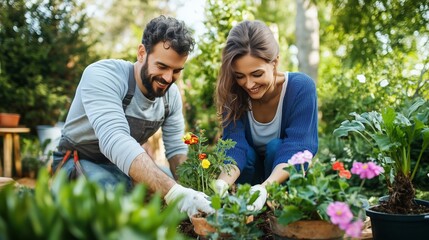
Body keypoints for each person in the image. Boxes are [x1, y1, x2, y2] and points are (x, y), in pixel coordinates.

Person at [51, 15, 213, 218]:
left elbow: (176, 151)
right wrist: (174, 193)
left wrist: (191, 192)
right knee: (109, 194)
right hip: (77, 160)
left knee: (169, 181)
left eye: (176, 70)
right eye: (162, 67)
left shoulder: (170, 96)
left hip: (122, 166)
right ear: (142, 53)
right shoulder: (103, 75)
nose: (168, 78)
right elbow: (114, 139)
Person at [214, 20, 318, 211]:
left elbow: (298, 146)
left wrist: (264, 189)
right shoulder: (234, 92)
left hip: (282, 180)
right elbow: (234, 146)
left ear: (275, 62)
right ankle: (248, 207)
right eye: (239, 75)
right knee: (249, 155)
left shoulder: (301, 88)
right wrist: (220, 185)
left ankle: (276, 207)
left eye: (256, 74)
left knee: (275, 147)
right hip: (249, 175)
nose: (248, 84)